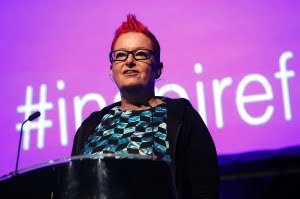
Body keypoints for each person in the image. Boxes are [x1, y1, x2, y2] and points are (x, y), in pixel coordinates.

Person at [71, 14, 219, 198]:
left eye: (141, 54)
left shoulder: (180, 115)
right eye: (121, 55)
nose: (129, 61)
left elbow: (204, 189)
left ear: (158, 68)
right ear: (112, 69)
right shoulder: (90, 126)